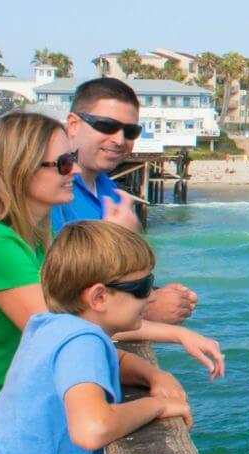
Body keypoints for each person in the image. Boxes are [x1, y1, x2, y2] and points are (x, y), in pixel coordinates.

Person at [0, 113, 223, 454]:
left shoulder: (32, 244)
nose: (74, 170)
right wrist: (158, 391)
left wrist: (153, 370)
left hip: (3, 435)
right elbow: (65, 335)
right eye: (62, 164)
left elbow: (73, 333)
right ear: (19, 170)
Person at [0, 221, 195, 454]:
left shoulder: (49, 327)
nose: (151, 296)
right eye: (143, 287)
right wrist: (157, 406)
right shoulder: (82, 341)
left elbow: (110, 360)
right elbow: (92, 428)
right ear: (99, 297)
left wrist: (153, 374)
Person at [51, 78, 197, 325]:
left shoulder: (109, 189)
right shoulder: (52, 192)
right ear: (73, 125)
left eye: (130, 132)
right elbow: (53, 293)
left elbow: (114, 277)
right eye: (106, 126)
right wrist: (147, 309)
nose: (119, 140)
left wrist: (150, 292)